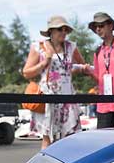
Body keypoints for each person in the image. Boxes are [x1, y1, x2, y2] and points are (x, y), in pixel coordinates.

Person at [22, 15, 89, 149]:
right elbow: (26, 72)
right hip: (48, 97)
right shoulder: (39, 47)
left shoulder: (71, 47)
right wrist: (44, 63)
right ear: (51, 31)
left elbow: (80, 66)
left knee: (69, 137)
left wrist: (81, 69)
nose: (63, 32)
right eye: (60, 29)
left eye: (65, 29)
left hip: (67, 97)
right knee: (48, 138)